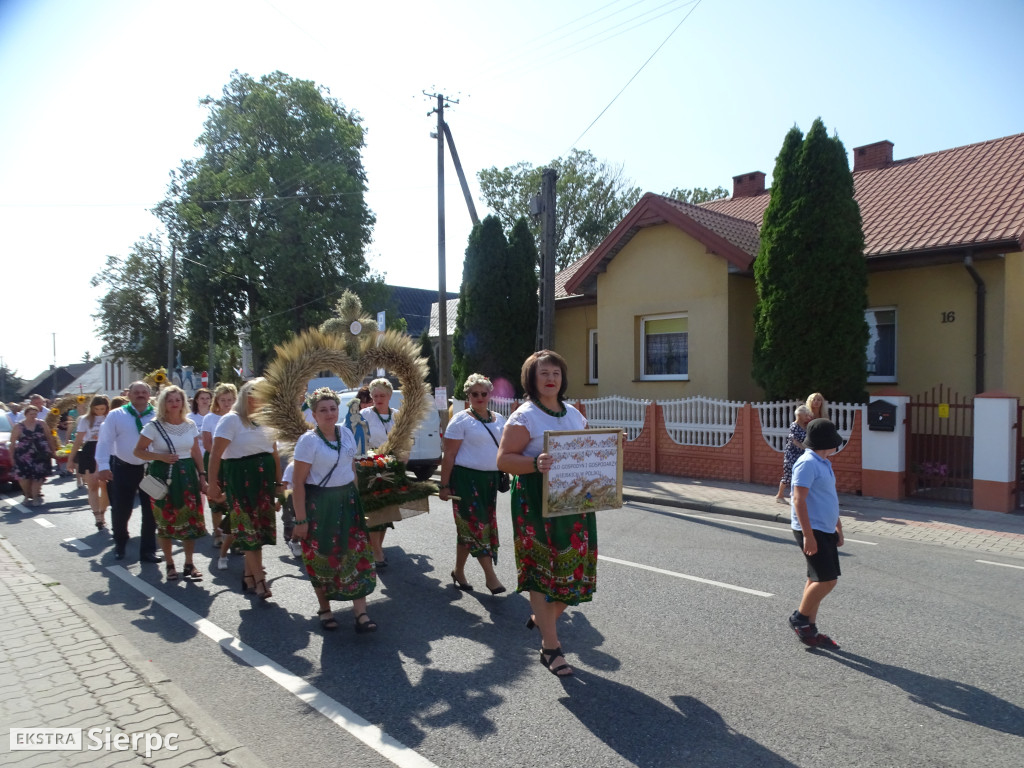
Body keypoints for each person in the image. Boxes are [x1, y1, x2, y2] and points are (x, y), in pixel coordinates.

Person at [497, 350, 594, 678]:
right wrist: (535, 464)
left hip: (574, 501)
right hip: (536, 503)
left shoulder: (575, 415)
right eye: (544, 374)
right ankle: (550, 648)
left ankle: (543, 617)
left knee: (575, 571)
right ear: (532, 380)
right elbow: (504, 460)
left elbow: (586, 455)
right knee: (543, 572)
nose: (551, 378)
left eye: (555, 372)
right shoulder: (524, 416)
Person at [291, 388, 378, 633]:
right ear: (314, 414)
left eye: (332, 408)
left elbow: (351, 470)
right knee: (324, 556)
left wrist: (357, 502)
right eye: (323, 410)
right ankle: (325, 608)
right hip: (321, 506)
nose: (329, 414)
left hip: (348, 502)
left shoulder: (347, 433)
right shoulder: (308, 441)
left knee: (357, 554)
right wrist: (301, 519)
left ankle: (360, 612)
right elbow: (298, 483)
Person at [207, 379, 281, 600]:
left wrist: (279, 485)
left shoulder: (267, 419)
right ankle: (260, 581)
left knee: (258, 532)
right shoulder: (231, 420)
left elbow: (274, 453)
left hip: (264, 482)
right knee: (249, 532)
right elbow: (215, 455)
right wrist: (212, 484)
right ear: (249, 397)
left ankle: (249, 576)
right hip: (241, 482)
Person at [439, 373, 506, 594]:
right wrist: (444, 485)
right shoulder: (460, 420)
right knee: (477, 527)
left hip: (489, 482)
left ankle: (458, 571)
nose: (479, 397)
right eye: (474, 393)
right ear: (468, 395)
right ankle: (491, 578)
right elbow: (448, 455)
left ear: (489, 394)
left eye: (483, 393)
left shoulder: (500, 419)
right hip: (466, 481)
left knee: (468, 529)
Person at [134, 386, 209, 582]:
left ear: (183, 402)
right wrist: (161, 457)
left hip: (187, 476)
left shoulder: (190, 424)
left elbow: (195, 452)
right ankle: (169, 564)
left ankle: (189, 563)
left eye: (178, 400)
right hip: (163, 476)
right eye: (170, 400)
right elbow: (139, 451)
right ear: (163, 404)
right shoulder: (153, 426)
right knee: (165, 522)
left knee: (190, 520)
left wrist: (202, 475)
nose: (175, 403)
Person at [788, 418, 846, 650]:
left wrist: (838, 526)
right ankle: (799, 619)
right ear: (825, 442)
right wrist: (808, 536)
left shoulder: (824, 462)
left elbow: (827, 499)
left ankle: (810, 629)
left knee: (815, 578)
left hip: (824, 528)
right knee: (827, 580)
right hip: (811, 529)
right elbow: (798, 499)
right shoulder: (807, 463)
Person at [95, 381, 163, 562]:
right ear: (129, 395)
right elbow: (105, 441)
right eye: (136, 392)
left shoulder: (158, 415)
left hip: (150, 469)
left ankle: (148, 550)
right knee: (121, 509)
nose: (140, 394)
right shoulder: (117, 415)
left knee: (150, 511)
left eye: (144, 392)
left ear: (149, 395)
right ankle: (120, 542)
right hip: (123, 467)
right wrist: (103, 466)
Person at [360, 377, 399, 566]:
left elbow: (406, 440)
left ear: (390, 396)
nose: (378, 398)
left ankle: (377, 548)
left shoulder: (398, 416)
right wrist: (369, 459)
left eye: (382, 395)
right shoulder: (364, 414)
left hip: (391, 466)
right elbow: (355, 440)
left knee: (385, 511)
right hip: (370, 467)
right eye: (375, 395)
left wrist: (401, 461)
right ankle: (376, 551)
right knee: (374, 510)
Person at [202, 383, 237, 561]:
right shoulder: (210, 418)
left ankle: (234, 537)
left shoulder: (239, 417)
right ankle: (217, 534)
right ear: (217, 400)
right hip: (217, 461)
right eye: (223, 400)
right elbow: (208, 443)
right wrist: (222, 456)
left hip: (234, 462)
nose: (227, 403)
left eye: (230, 400)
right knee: (216, 498)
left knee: (234, 499)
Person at [68, 395, 111, 529]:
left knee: (105, 487)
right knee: (92, 486)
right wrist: (70, 459)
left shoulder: (110, 418)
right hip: (90, 450)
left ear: (106, 408)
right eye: (96, 409)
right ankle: (97, 516)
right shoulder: (85, 420)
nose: (99, 412)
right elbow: (78, 440)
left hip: (106, 449)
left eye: (102, 409)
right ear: (92, 408)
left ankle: (103, 513)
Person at [11, 403, 58, 506]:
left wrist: (53, 451)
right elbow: (13, 443)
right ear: (26, 414)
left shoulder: (41, 424)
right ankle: (27, 495)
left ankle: (35, 496)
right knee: (24, 478)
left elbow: (49, 437)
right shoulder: (19, 426)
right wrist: (12, 458)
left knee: (38, 476)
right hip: (24, 455)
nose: (33, 416)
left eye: (35, 414)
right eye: (31, 414)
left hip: (40, 453)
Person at [774, 404, 813, 503]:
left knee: (800, 475)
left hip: (801, 454)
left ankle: (797, 496)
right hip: (792, 454)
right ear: (800, 415)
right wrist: (804, 448)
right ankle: (780, 495)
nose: (807, 417)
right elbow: (794, 440)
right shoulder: (794, 425)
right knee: (788, 475)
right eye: (806, 415)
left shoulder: (805, 426)